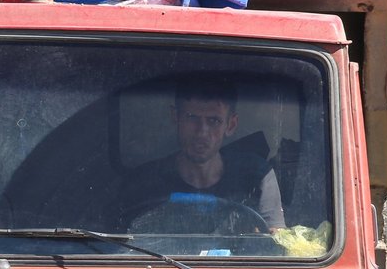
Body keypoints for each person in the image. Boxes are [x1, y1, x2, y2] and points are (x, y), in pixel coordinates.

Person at [117, 78, 285, 232]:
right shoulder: (143, 184)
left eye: (214, 121)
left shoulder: (257, 177)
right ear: (176, 117)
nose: (202, 132)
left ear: (231, 125)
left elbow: (277, 243)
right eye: (192, 118)